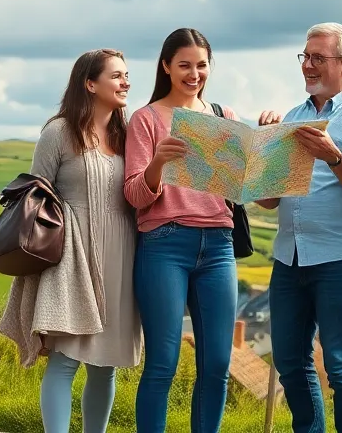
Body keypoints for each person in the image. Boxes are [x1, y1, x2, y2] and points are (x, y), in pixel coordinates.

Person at [0, 49, 142, 433]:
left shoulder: (128, 136)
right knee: (65, 359)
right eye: (117, 76)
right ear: (90, 83)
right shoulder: (58, 132)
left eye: (127, 75)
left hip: (122, 257)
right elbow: (34, 196)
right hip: (71, 260)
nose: (126, 82)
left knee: (105, 363)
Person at [253, 22, 342, 433]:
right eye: (305, 57)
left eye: (318, 58)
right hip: (288, 255)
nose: (307, 66)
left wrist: (333, 157)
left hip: (340, 257)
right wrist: (261, 152)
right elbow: (269, 199)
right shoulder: (291, 119)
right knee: (291, 362)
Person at [123, 28, 238, 433]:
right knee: (163, 361)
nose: (194, 74)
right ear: (166, 66)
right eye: (185, 65)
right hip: (164, 244)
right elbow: (136, 195)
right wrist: (157, 162)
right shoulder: (146, 119)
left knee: (218, 363)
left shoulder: (224, 118)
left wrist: (263, 141)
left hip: (219, 246)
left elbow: (244, 188)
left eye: (201, 65)